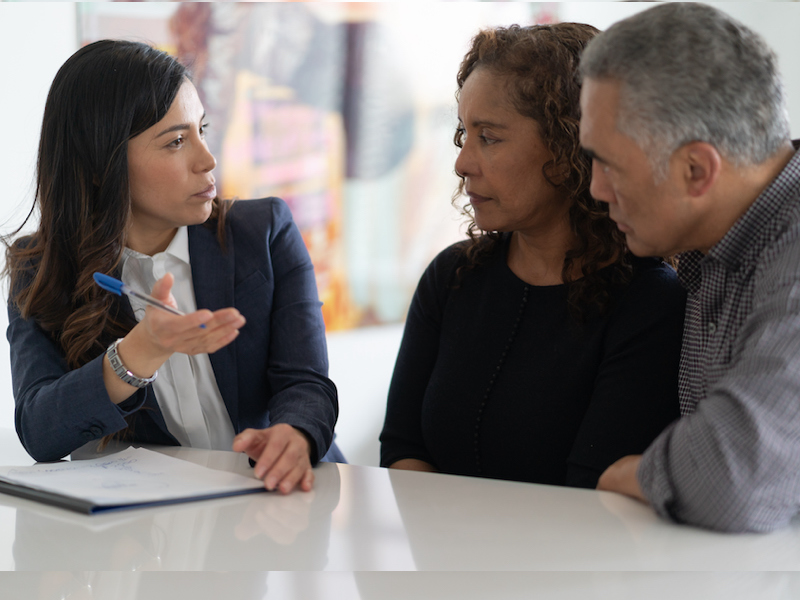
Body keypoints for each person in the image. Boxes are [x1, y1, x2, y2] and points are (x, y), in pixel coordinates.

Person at [5, 39, 343, 495]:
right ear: (101, 166)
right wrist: (135, 356)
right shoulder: (41, 268)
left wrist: (296, 434)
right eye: (177, 141)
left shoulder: (263, 231)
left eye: (202, 130)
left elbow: (307, 384)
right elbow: (39, 432)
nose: (207, 159)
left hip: (279, 498)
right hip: (155, 528)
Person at [379, 24, 686, 488]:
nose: (462, 162)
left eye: (490, 137)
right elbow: (403, 448)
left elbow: (591, 488)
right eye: (464, 132)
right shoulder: (452, 276)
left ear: (569, 148)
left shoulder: (649, 302)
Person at [579, 3, 800, 532]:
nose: (595, 189)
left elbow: (730, 478)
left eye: (608, 163)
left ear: (697, 170)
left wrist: (634, 474)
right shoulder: (716, 246)